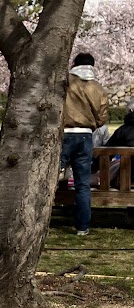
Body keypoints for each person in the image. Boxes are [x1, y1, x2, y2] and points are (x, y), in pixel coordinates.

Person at [61, 52, 109, 236]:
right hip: (85, 136)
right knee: (82, 184)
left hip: (64, 134)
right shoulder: (96, 87)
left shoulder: (65, 82)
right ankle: (82, 227)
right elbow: (102, 117)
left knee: (50, 177)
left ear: (75, 64)